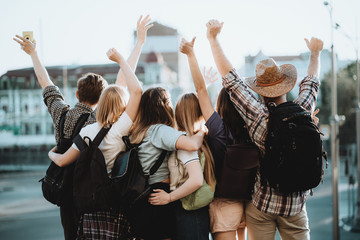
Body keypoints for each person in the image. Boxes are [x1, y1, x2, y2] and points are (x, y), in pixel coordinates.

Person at [13, 15, 152, 240]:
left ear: (77, 94)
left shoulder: (62, 114)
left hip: (64, 192)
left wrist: (33, 53)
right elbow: (123, 83)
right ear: (104, 98)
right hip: (92, 193)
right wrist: (139, 43)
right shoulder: (100, 121)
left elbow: (45, 82)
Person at [205, 19, 324, 240]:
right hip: (296, 207)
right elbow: (311, 82)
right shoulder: (305, 109)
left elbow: (232, 82)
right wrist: (315, 53)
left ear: (260, 92)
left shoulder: (258, 117)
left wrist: (213, 39)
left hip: (263, 206)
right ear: (286, 84)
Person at [48, 47, 142, 239]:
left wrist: (51, 153)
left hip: (89, 208)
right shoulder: (119, 129)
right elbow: (137, 91)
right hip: (114, 204)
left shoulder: (87, 131)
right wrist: (121, 61)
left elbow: (63, 161)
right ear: (122, 105)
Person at [180, 37, 250, 240]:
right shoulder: (252, 128)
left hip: (224, 203)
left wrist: (191, 54)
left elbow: (201, 91)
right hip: (250, 202)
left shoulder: (219, 130)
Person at [127, 87, 206, 240]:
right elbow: (191, 145)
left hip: (140, 198)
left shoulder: (137, 132)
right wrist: (201, 131)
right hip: (159, 197)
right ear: (165, 107)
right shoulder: (159, 130)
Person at [149, 92, 216, 240]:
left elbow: (196, 180)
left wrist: (169, 197)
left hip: (189, 210)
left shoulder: (186, 146)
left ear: (178, 113)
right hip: (197, 208)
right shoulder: (201, 140)